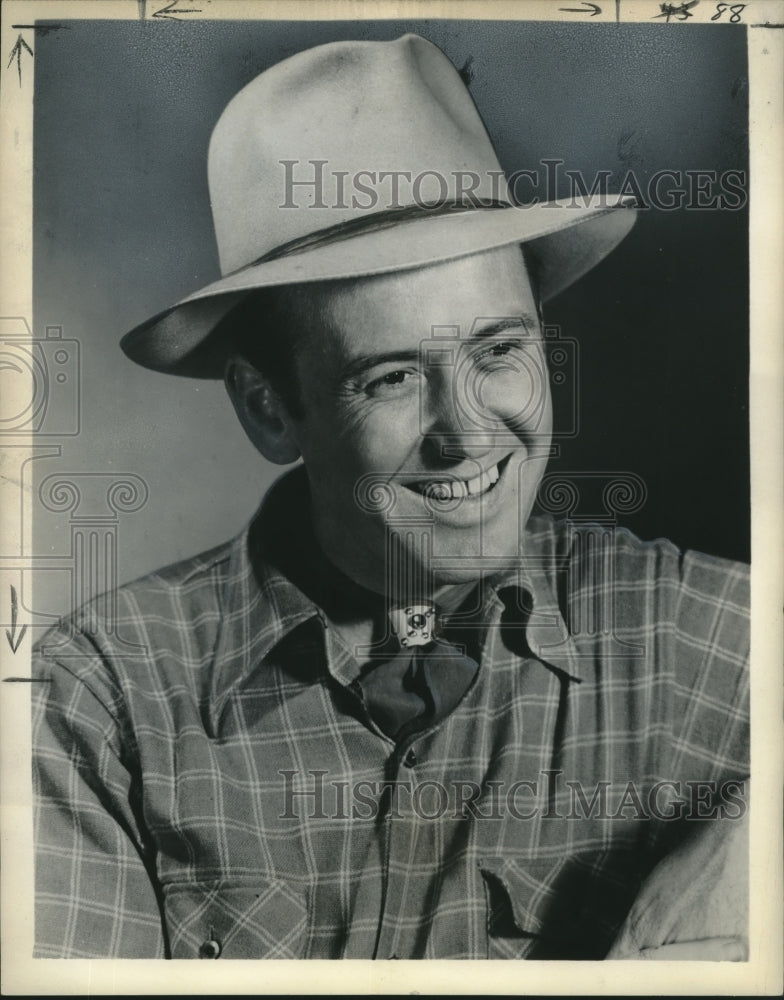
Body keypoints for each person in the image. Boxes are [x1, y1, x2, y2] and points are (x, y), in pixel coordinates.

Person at [32, 34, 749, 960]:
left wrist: (750, 845)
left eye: (499, 351)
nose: (469, 431)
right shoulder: (103, 704)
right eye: (392, 378)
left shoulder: (692, 632)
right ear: (268, 409)